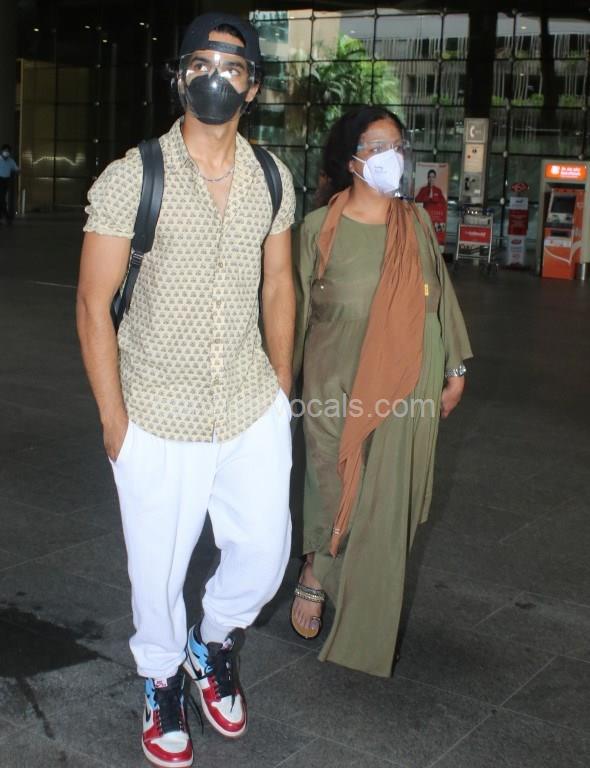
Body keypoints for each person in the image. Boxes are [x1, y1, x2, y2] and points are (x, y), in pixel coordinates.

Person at [76, 13, 295, 768]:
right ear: (179, 76)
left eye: (233, 66)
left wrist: (282, 388)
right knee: (158, 572)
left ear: (253, 86)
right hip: (157, 408)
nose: (216, 76)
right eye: (201, 62)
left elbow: (279, 283)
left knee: (265, 553)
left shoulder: (272, 176)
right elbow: (92, 304)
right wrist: (115, 421)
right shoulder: (133, 176)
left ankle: (213, 640)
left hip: (248, 402)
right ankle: (162, 677)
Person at [290, 106, 472, 677]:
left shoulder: (414, 223)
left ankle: (368, 621)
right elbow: (291, 312)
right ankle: (317, 568)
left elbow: (438, 297)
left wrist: (455, 367)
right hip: (334, 382)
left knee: (385, 503)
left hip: (406, 383)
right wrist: (278, 384)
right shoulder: (317, 230)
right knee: (333, 486)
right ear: (351, 160)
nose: (392, 156)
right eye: (377, 146)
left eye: (398, 145)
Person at [0, 144, 19, 224]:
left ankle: (4, 216)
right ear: (2, 151)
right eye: (5, 151)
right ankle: (7, 216)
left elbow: (16, 169)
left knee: (2, 198)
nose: (6, 153)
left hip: (6, 181)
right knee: (1, 199)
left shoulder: (11, 161)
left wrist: (18, 171)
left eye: (8, 151)